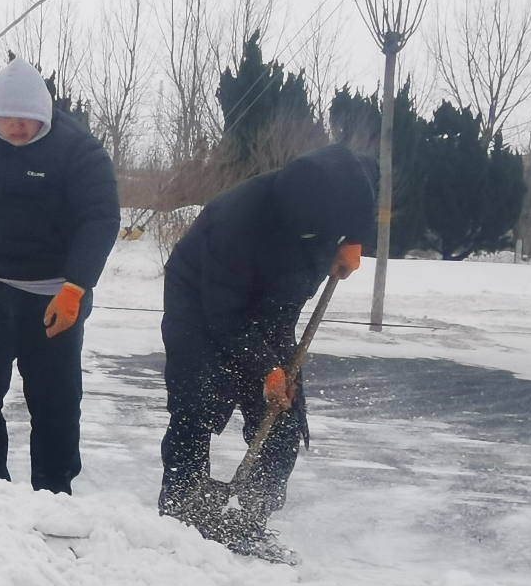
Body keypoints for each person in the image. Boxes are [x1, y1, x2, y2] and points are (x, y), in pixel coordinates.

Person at [159, 143, 376, 562]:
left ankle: (249, 519)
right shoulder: (237, 223)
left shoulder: (342, 185)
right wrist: (266, 368)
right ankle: (180, 513)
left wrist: (354, 239)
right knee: (195, 402)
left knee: (283, 415)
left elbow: (369, 184)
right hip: (201, 302)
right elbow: (225, 317)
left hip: (274, 303)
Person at [0, 57, 121, 494]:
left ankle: (52, 493)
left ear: (44, 113)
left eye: (27, 118)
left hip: (54, 296)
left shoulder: (78, 150)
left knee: (55, 403)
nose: (17, 126)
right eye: (7, 117)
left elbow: (100, 219)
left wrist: (76, 287)